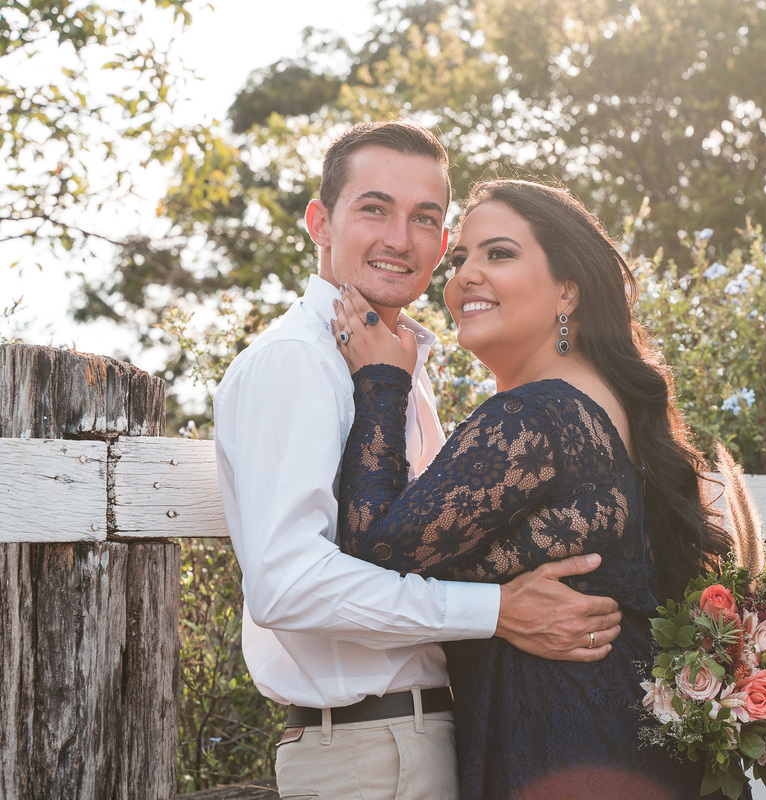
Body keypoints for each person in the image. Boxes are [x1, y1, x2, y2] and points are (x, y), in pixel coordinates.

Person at [214, 123, 622, 800]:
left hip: (415, 744)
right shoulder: (297, 362)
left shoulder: (392, 365)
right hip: (369, 754)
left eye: (425, 218)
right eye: (374, 208)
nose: (400, 239)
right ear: (320, 222)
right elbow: (286, 584)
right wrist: (494, 611)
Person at [329, 178, 738, 799]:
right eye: (461, 256)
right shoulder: (605, 409)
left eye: (498, 253)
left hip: (564, 747)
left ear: (567, 291)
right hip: (614, 747)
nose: (465, 274)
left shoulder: (536, 417)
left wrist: (384, 382)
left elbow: (369, 546)